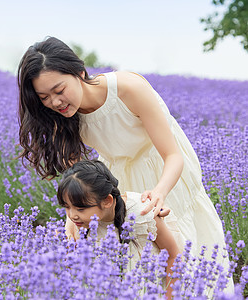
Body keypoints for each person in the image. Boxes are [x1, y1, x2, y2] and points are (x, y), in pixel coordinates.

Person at [17, 36, 233, 292]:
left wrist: (160, 193)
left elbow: (173, 155)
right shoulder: (59, 117)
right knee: (137, 263)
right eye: (44, 97)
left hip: (164, 172)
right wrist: (72, 220)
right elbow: (80, 177)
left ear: (79, 72)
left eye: (59, 90)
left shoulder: (128, 89)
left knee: (182, 247)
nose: (55, 102)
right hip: (118, 179)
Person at [58, 159, 181, 299]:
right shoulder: (82, 222)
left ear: (107, 201)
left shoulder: (140, 214)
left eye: (80, 209)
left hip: (148, 288)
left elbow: (173, 255)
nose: (72, 216)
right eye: (67, 207)